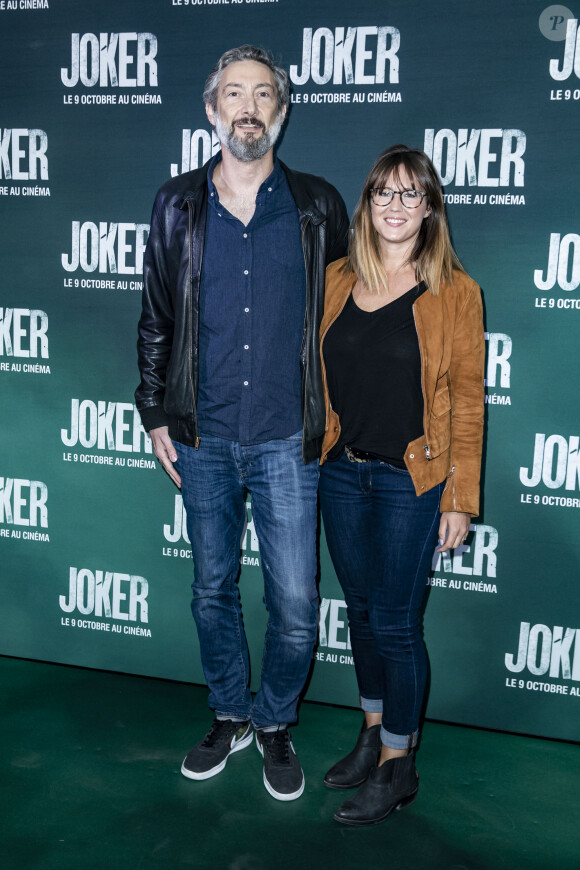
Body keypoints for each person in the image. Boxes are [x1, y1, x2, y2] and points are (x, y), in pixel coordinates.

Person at [135, 45, 348, 802]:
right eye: (234, 93)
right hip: (205, 435)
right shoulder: (176, 204)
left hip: (292, 437)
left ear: (282, 114)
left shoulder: (319, 204)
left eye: (263, 94)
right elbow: (158, 315)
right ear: (212, 109)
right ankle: (230, 713)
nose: (248, 106)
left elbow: (345, 324)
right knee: (212, 588)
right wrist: (155, 410)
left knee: (295, 602)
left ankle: (277, 720)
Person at [318, 145, 484, 825]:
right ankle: (372, 733)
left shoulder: (457, 292)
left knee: (395, 622)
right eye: (383, 193)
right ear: (367, 205)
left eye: (410, 194)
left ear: (429, 208)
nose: (394, 205)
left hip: (411, 480)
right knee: (359, 611)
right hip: (339, 471)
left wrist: (460, 498)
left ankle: (398, 764)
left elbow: (469, 400)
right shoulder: (333, 277)